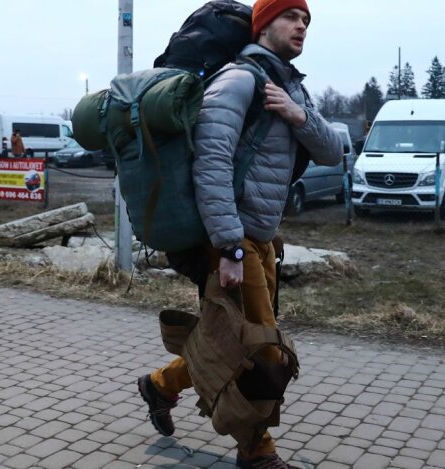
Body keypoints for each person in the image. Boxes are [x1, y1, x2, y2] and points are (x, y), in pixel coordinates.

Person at [137, 1, 342, 468]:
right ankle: (257, 451)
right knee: (260, 349)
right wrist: (228, 246)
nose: (302, 26)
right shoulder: (239, 80)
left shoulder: (290, 89)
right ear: (266, 21)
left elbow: (332, 151)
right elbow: (209, 166)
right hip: (234, 240)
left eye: (307, 20)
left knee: (230, 338)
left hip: (264, 239)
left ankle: (161, 385)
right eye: (292, 16)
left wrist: (298, 115)